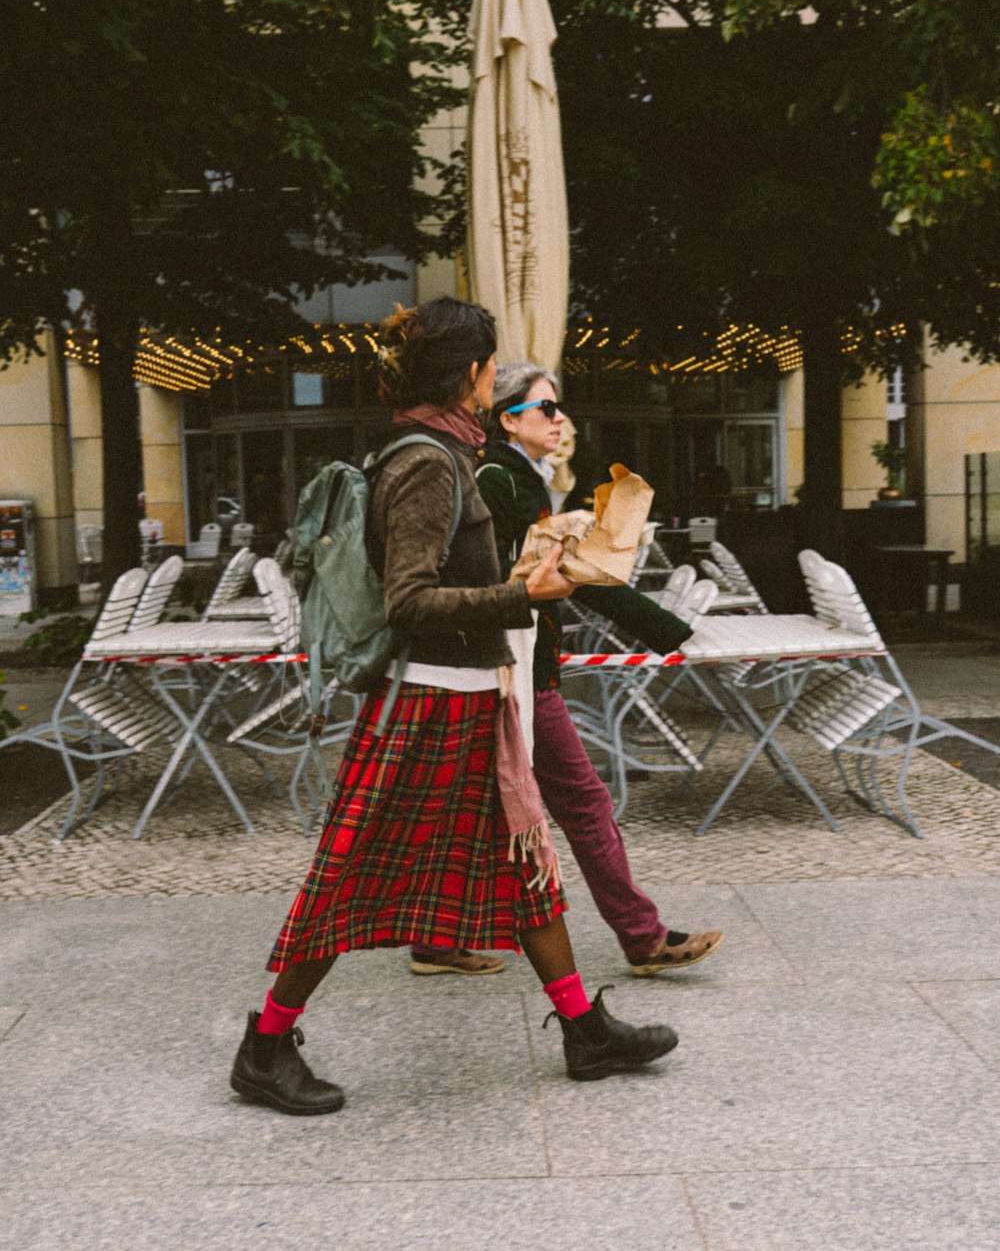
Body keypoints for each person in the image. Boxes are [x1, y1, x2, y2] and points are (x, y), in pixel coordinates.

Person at [230, 298, 679, 1115]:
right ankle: (264, 1044)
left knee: (526, 861)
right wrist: (521, 591)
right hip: (426, 709)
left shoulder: (445, 451)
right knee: (344, 882)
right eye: (490, 365)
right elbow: (409, 601)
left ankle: (584, 1027)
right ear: (473, 375)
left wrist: (527, 579)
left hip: (469, 700)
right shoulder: (429, 462)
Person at [410, 362, 723, 980]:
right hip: (520, 671)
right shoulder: (505, 481)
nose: (559, 419)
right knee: (584, 803)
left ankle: (433, 941)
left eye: (559, 408)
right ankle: (642, 936)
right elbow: (562, 578)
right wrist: (670, 630)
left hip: (504, 666)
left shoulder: (510, 476)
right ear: (508, 419)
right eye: (545, 408)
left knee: (473, 806)